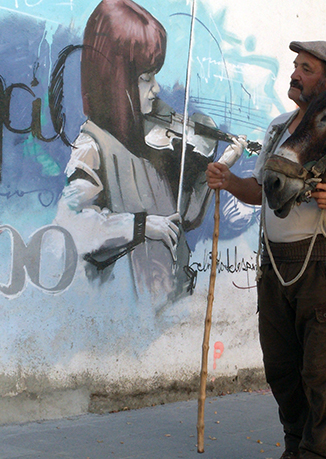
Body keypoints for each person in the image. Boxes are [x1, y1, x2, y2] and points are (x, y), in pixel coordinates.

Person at [207, 40, 326, 459]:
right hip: (275, 264)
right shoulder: (280, 129)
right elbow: (261, 191)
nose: (295, 74)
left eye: (307, 68)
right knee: (281, 364)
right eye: (295, 66)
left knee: (319, 367)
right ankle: (297, 446)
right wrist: (229, 182)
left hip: (322, 259)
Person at [54, 0, 215, 305]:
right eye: (145, 78)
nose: (156, 89)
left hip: (167, 298)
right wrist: (140, 226)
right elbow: (70, 223)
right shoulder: (93, 144)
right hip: (124, 308)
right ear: (115, 78)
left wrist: (206, 173)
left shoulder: (148, 140)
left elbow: (182, 218)